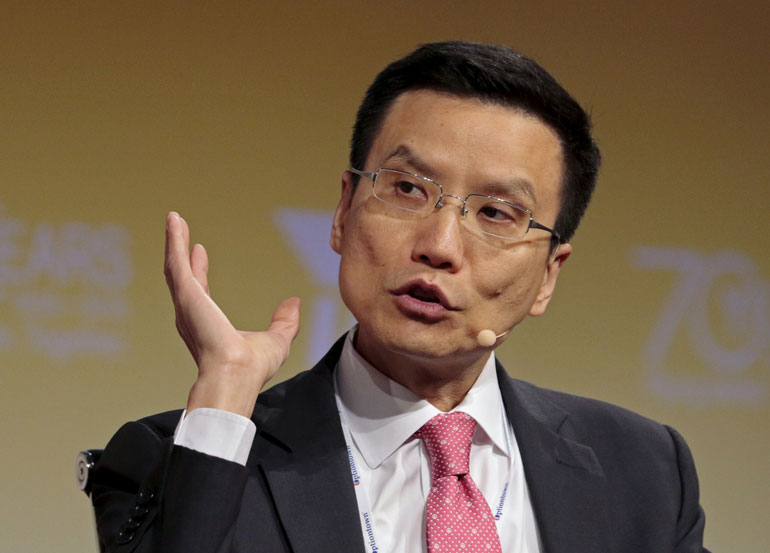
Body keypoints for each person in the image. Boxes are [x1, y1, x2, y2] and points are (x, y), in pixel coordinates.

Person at [91, 41, 709, 553]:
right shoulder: (188, 457)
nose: (439, 245)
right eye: (408, 189)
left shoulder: (643, 471)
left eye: (496, 212)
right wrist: (226, 393)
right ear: (342, 211)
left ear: (549, 274)